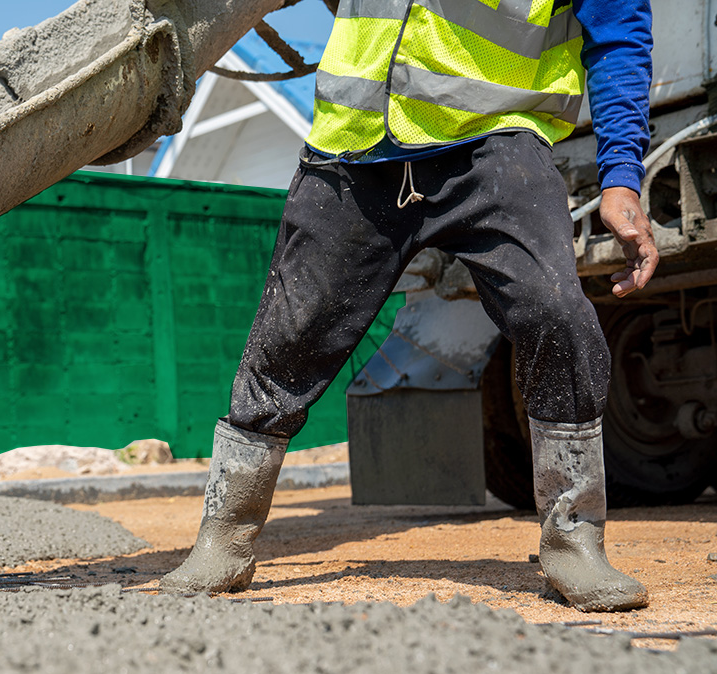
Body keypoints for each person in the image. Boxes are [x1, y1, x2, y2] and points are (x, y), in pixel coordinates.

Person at [159, 0, 657, 613]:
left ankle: (574, 543)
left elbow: (620, 31)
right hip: (354, 147)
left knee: (556, 314)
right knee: (287, 340)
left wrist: (621, 177)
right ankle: (225, 537)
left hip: (493, 140)